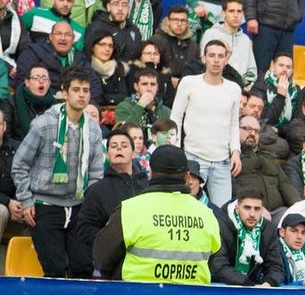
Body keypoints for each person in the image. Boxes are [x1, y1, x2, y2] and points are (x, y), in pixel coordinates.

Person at [11, 65, 103, 279]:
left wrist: (91, 207)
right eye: (76, 89)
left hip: (79, 207)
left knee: (83, 269)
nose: (82, 95)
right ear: (64, 91)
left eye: (86, 90)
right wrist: (26, 200)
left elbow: (96, 173)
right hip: (45, 206)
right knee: (55, 268)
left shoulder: (93, 129)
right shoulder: (43, 124)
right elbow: (20, 163)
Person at [93, 145, 221, 282]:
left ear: (151, 172)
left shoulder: (130, 210)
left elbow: (101, 258)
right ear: (187, 176)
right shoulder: (207, 214)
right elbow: (212, 261)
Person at [170, 39, 240, 205]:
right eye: (212, 55)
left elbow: (234, 124)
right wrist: (175, 149)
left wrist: (235, 150)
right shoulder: (188, 83)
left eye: (221, 56)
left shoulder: (234, 89)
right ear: (203, 58)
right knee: (185, 208)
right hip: (193, 158)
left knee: (223, 213)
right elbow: (176, 118)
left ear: (226, 59)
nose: (216, 60)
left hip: (222, 161)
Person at [75, 126, 147, 270]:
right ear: (108, 155)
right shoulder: (96, 190)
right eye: (114, 146)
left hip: (145, 261)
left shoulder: (147, 187)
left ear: (134, 153)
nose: (119, 149)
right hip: (113, 265)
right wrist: (111, 242)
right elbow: (84, 228)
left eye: (124, 145)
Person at [211, 189, 285, 285]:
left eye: (257, 209)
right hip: (220, 287)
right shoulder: (219, 225)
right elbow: (218, 266)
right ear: (237, 209)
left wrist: (268, 283)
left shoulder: (268, 229)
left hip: (253, 287)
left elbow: (276, 267)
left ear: (262, 210)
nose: (252, 214)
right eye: (247, 208)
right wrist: (249, 285)